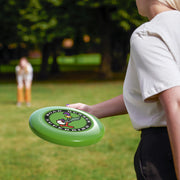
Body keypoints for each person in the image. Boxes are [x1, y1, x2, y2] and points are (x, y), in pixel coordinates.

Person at [66, 0, 180, 179]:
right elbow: (155, 90)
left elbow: (175, 103)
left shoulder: (149, 34)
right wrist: (92, 110)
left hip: (166, 149)